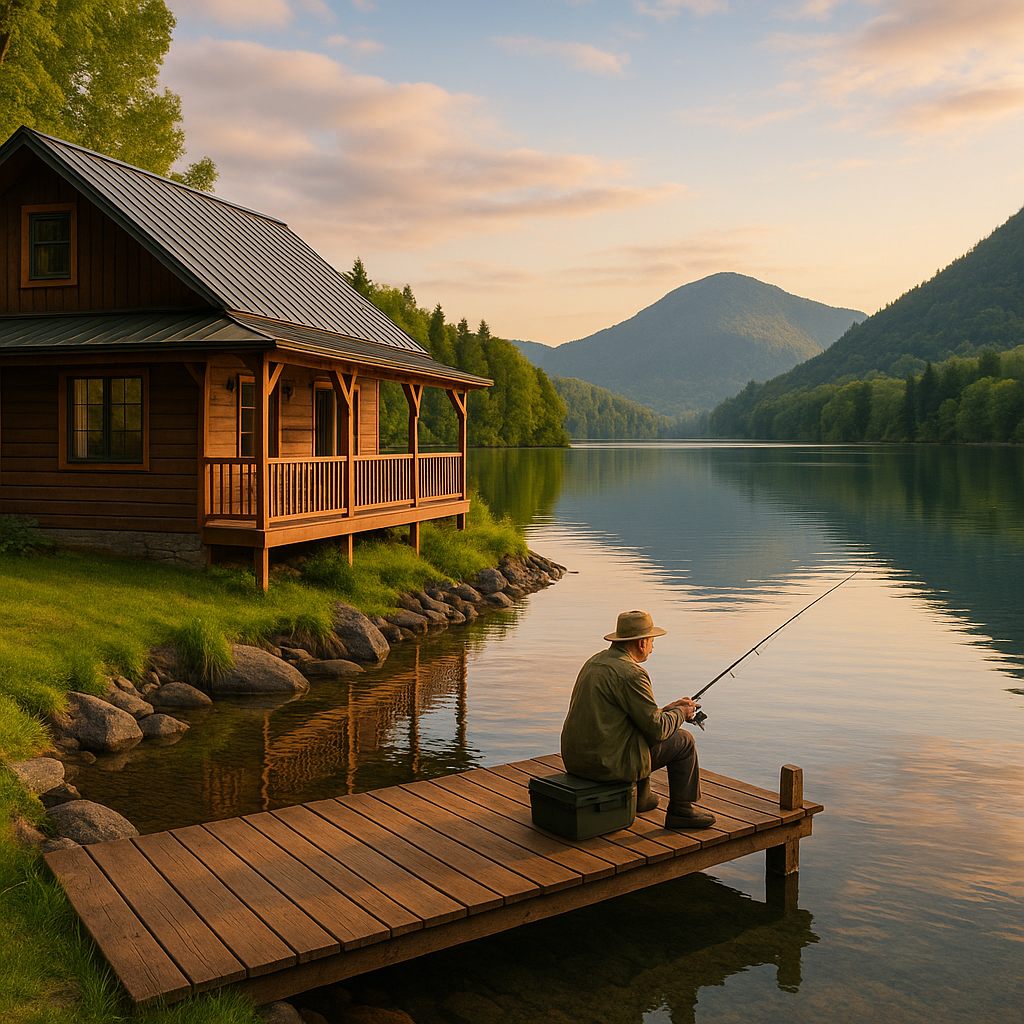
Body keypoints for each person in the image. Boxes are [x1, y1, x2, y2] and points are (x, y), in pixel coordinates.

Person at [560, 609, 716, 830]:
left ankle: (641, 799)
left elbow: (628, 717)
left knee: (637, 733)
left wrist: (669, 709)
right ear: (641, 643)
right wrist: (682, 713)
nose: (653, 647)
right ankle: (681, 812)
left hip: (576, 761)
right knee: (683, 740)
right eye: (652, 641)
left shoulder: (594, 662)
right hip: (606, 766)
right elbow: (658, 730)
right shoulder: (633, 674)